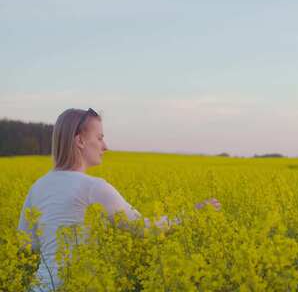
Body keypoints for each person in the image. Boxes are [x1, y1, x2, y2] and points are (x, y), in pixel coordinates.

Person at [17, 108, 221, 291]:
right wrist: (194, 213)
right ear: (80, 141)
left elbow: (28, 244)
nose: (105, 146)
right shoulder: (93, 187)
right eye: (99, 138)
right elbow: (147, 229)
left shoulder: (37, 187)